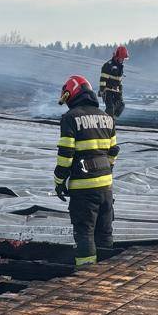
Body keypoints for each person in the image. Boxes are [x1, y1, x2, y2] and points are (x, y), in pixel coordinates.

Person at [54, 75, 119, 267]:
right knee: (104, 233)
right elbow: (113, 152)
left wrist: (59, 182)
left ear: (71, 94)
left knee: (84, 233)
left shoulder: (70, 118)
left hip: (83, 190)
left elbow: (65, 155)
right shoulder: (107, 118)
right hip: (106, 188)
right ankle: (106, 273)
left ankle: (86, 273)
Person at [99, 45, 128, 119]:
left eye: (123, 58)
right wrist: (102, 90)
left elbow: (119, 81)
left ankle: (112, 121)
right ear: (117, 56)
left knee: (121, 105)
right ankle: (105, 122)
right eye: (121, 58)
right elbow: (103, 79)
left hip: (116, 91)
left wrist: (120, 91)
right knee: (110, 108)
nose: (122, 60)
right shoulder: (108, 65)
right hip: (107, 90)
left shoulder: (120, 67)